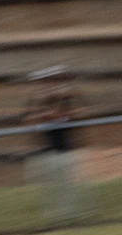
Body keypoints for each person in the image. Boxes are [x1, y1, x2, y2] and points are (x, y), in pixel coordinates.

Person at [22, 65, 94, 226]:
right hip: (46, 152)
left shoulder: (68, 102)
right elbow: (27, 118)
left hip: (66, 150)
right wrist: (45, 114)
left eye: (54, 83)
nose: (50, 87)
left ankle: (73, 216)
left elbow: (84, 112)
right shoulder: (37, 104)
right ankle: (54, 219)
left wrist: (65, 113)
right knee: (50, 187)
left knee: (69, 185)